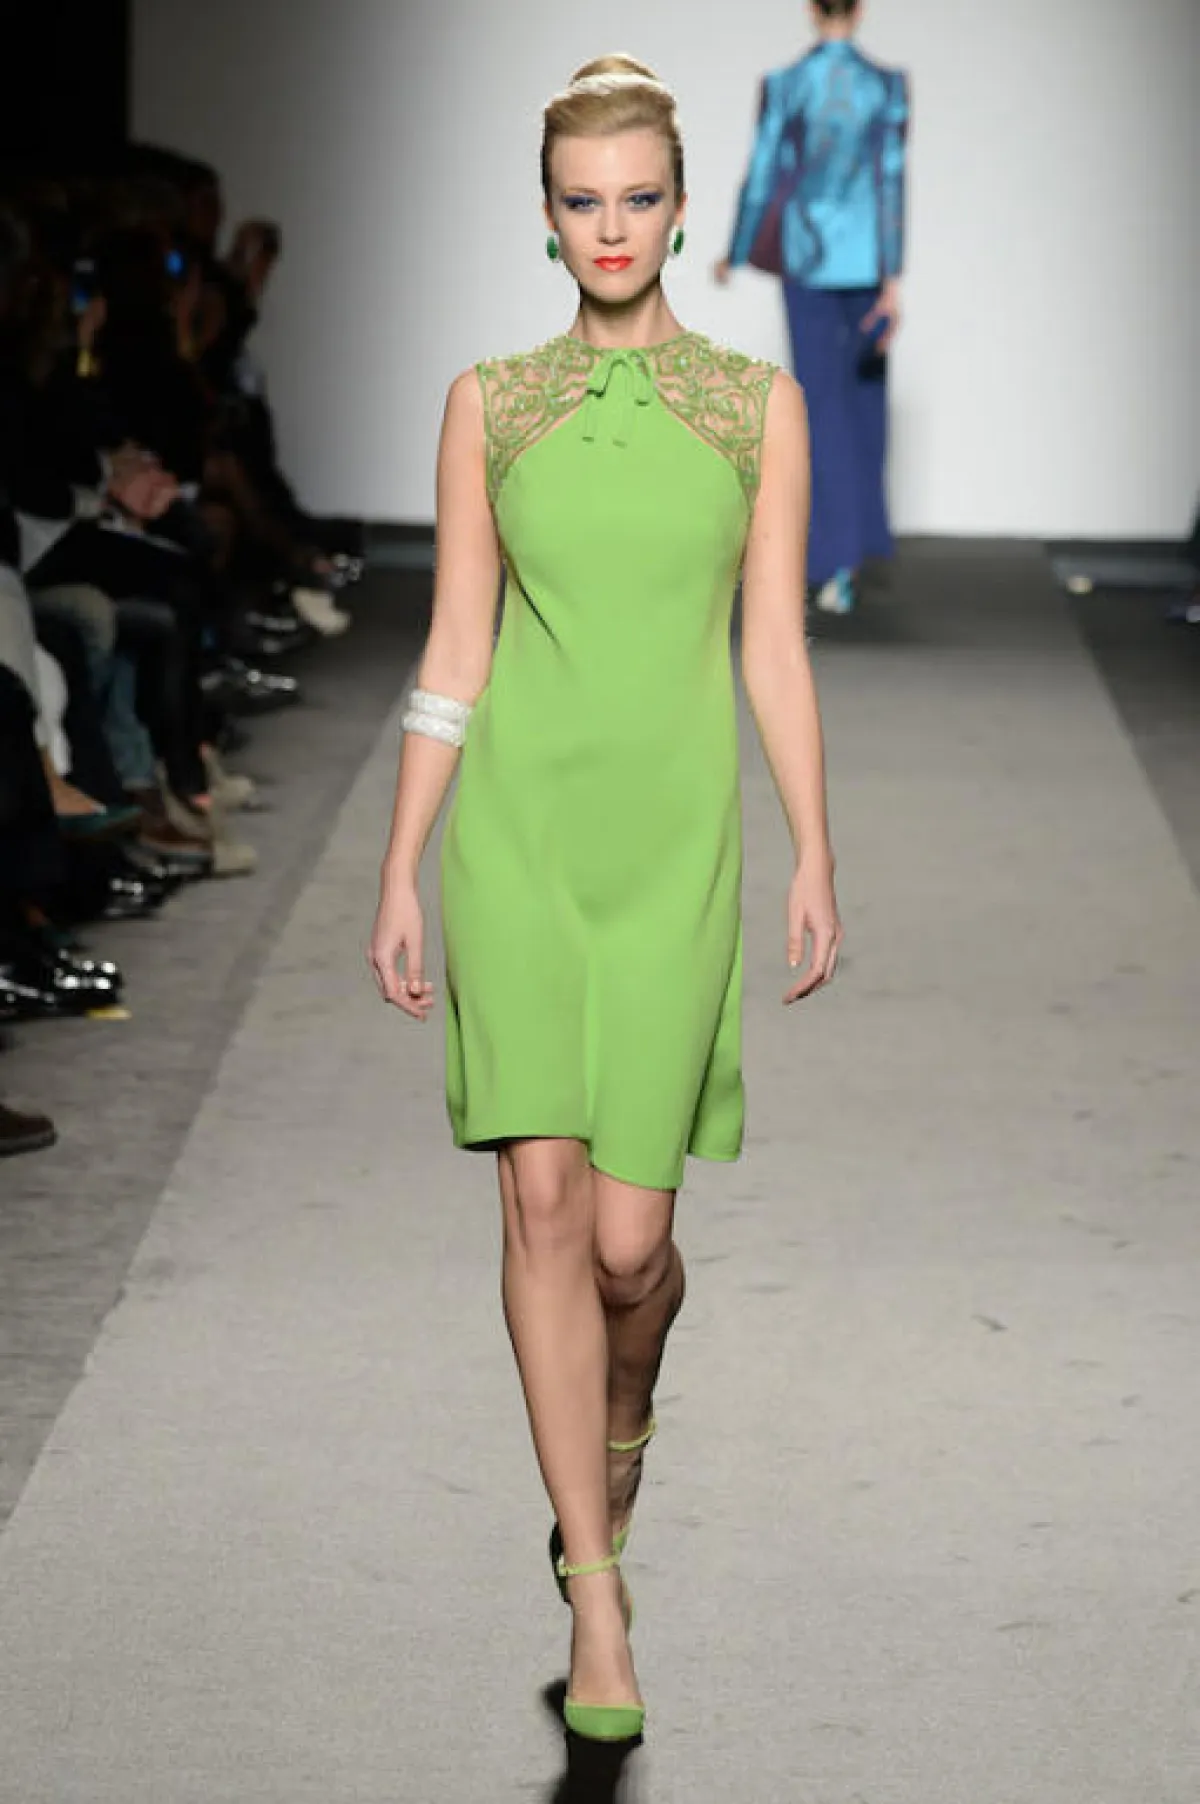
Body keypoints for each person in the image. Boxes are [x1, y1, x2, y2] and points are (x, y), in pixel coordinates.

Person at [369, 53, 843, 1744]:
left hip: (672, 851)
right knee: (545, 1211)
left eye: (640, 196)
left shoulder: (754, 406)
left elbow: (772, 646)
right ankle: (593, 1587)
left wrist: (814, 843)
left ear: (682, 206)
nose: (614, 225)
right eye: (585, 200)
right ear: (548, 217)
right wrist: (402, 861)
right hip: (519, 843)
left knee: (634, 1249)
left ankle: (622, 1414)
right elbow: (456, 644)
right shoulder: (489, 403)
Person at [716, 0, 910, 615]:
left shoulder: (787, 84)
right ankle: (850, 553)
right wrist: (893, 278)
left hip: (807, 258)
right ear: (861, 9)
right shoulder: (886, 86)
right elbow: (890, 181)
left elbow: (763, 170)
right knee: (862, 406)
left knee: (820, 406)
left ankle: (832, 560)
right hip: (867, 263)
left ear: (811, 9)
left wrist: (736, 248)